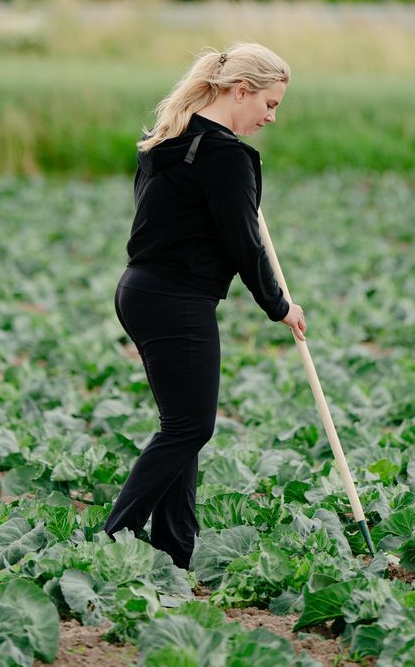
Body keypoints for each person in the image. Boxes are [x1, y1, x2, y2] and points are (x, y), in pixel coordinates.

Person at [102, 42, 307, 570]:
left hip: (141, 290)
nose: (271, 116)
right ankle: (111, 536)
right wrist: (278, 304)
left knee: (183, 423)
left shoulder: (167, 138)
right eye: (270, 103)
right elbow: (244, 244)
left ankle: (175, 548)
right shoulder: (224, 156)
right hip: (175, 299)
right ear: (241, 90)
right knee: (190, 427)